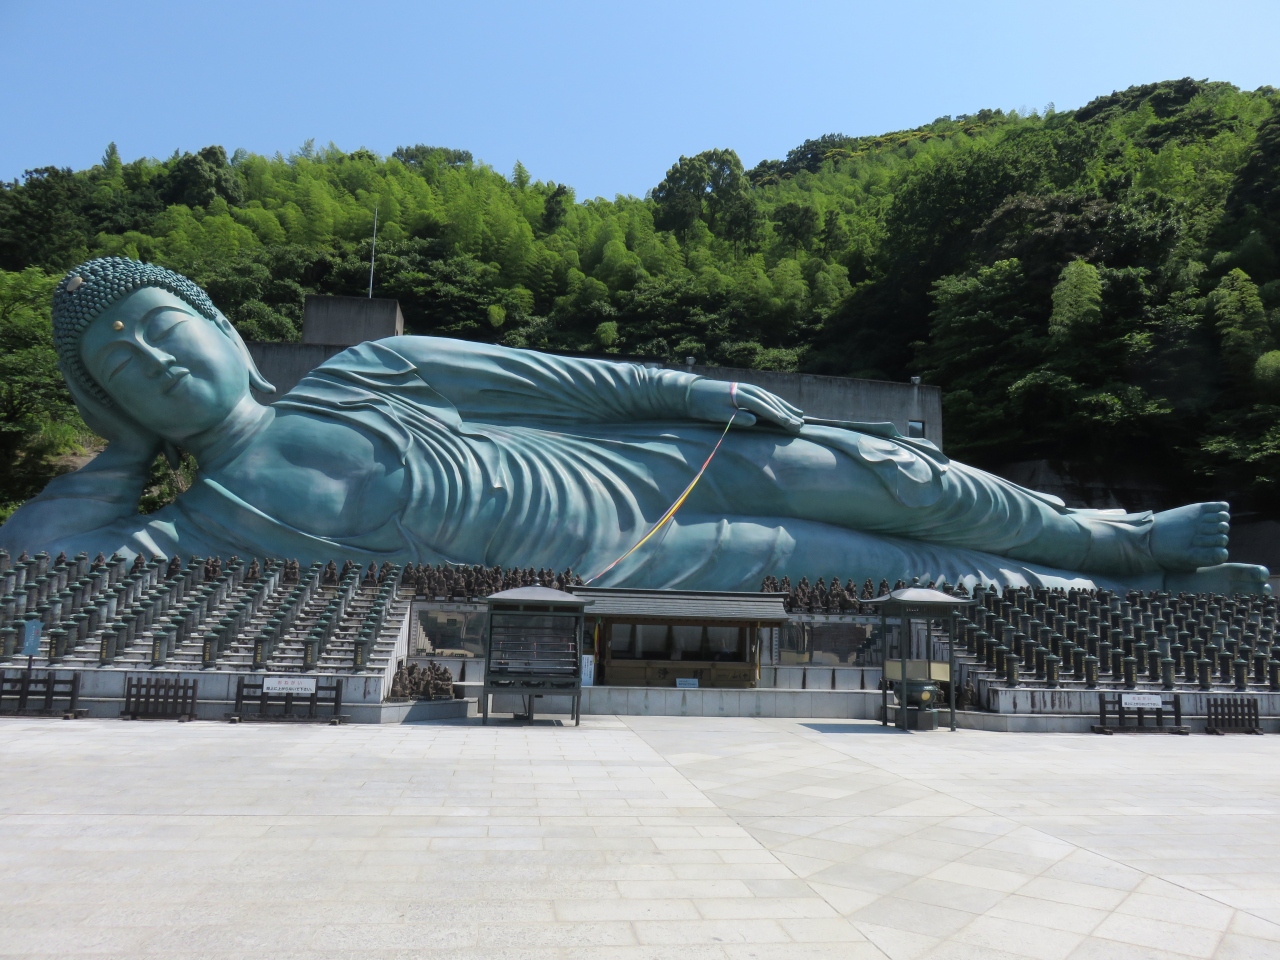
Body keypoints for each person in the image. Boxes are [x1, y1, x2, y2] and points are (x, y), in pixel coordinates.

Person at [0, 257, 1266, 595]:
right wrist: (121, 457)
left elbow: (563, 383)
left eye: (163, 326)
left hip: (636, 460)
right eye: (120, 367)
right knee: (896, 572)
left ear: (225, 327)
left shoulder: (371, 369)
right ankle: (1133, 595)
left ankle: (1108, 537)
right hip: (636, 563)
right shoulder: (196, 531)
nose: (156, 360)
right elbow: (39, 559)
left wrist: (698, 395)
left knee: (883, 472)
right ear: (109, 400)